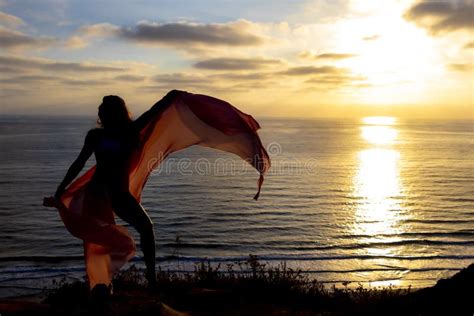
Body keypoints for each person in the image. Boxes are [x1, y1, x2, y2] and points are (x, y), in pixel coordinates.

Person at [54, 90, 181, 287]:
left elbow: (153, 112)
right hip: (97, 194)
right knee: (99, 241)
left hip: (119, 194)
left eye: (105, 110)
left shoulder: (130, 132)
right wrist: (61, 188)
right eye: (101, 110)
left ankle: (151, 279)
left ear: (115, 113)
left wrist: (171, 97)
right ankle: (101, 284)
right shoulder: (95, 136)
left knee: (146, 228)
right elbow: (79, 163)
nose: (101, 114)